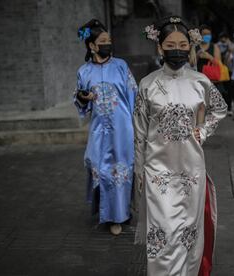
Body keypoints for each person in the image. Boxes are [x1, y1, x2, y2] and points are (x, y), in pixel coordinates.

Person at [134, 16, 227, 276]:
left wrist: (203, 131)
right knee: (162, 233)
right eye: (171, 44)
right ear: (160, 47)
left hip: (191, 170)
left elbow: (219, 109)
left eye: (183, 44)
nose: (178, 50)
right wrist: (138, 171)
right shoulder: (147, 85)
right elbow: (139, 132)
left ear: (190, 47)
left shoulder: (200, 82)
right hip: (157, 172)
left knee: (188, 232)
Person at [74, 19, 138, 236]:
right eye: (103, 41)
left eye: (109, 40)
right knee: (100, 169)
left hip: (122, 129)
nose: (108, 43)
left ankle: (119, 216)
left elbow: (133, 96)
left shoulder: (121, 66)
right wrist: (84, 98)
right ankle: (106, 213)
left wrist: (136, 126)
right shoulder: (84, 71)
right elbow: (81, 101)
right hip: (99, 130)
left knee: (121, 170)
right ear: (92, 45)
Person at [217, 32, 234, 116]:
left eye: (225, 38)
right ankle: (222, 106)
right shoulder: (217, 46)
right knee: (222, 89)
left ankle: (229, 107)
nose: (223, 40)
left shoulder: (233, 47)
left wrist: (230, 49)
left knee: (229, 89)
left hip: (230, 71)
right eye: (222, 38)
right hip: (220, 70)